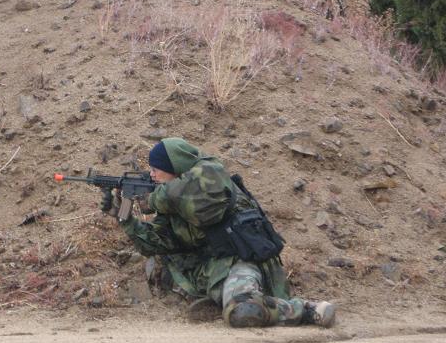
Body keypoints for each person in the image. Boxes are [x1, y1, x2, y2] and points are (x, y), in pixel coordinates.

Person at [101, 137, 336, 328]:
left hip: (244, 261)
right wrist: (125, 218)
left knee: (243, 310)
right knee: (240, 309)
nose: (151, 175)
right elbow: (155, 244)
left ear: (175, 167)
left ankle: (307, 310)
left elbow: (192, 197)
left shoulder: (208, 176)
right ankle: (236, 301)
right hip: (219, 272)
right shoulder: (176, 202)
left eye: (156, 169)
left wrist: (153, 199)